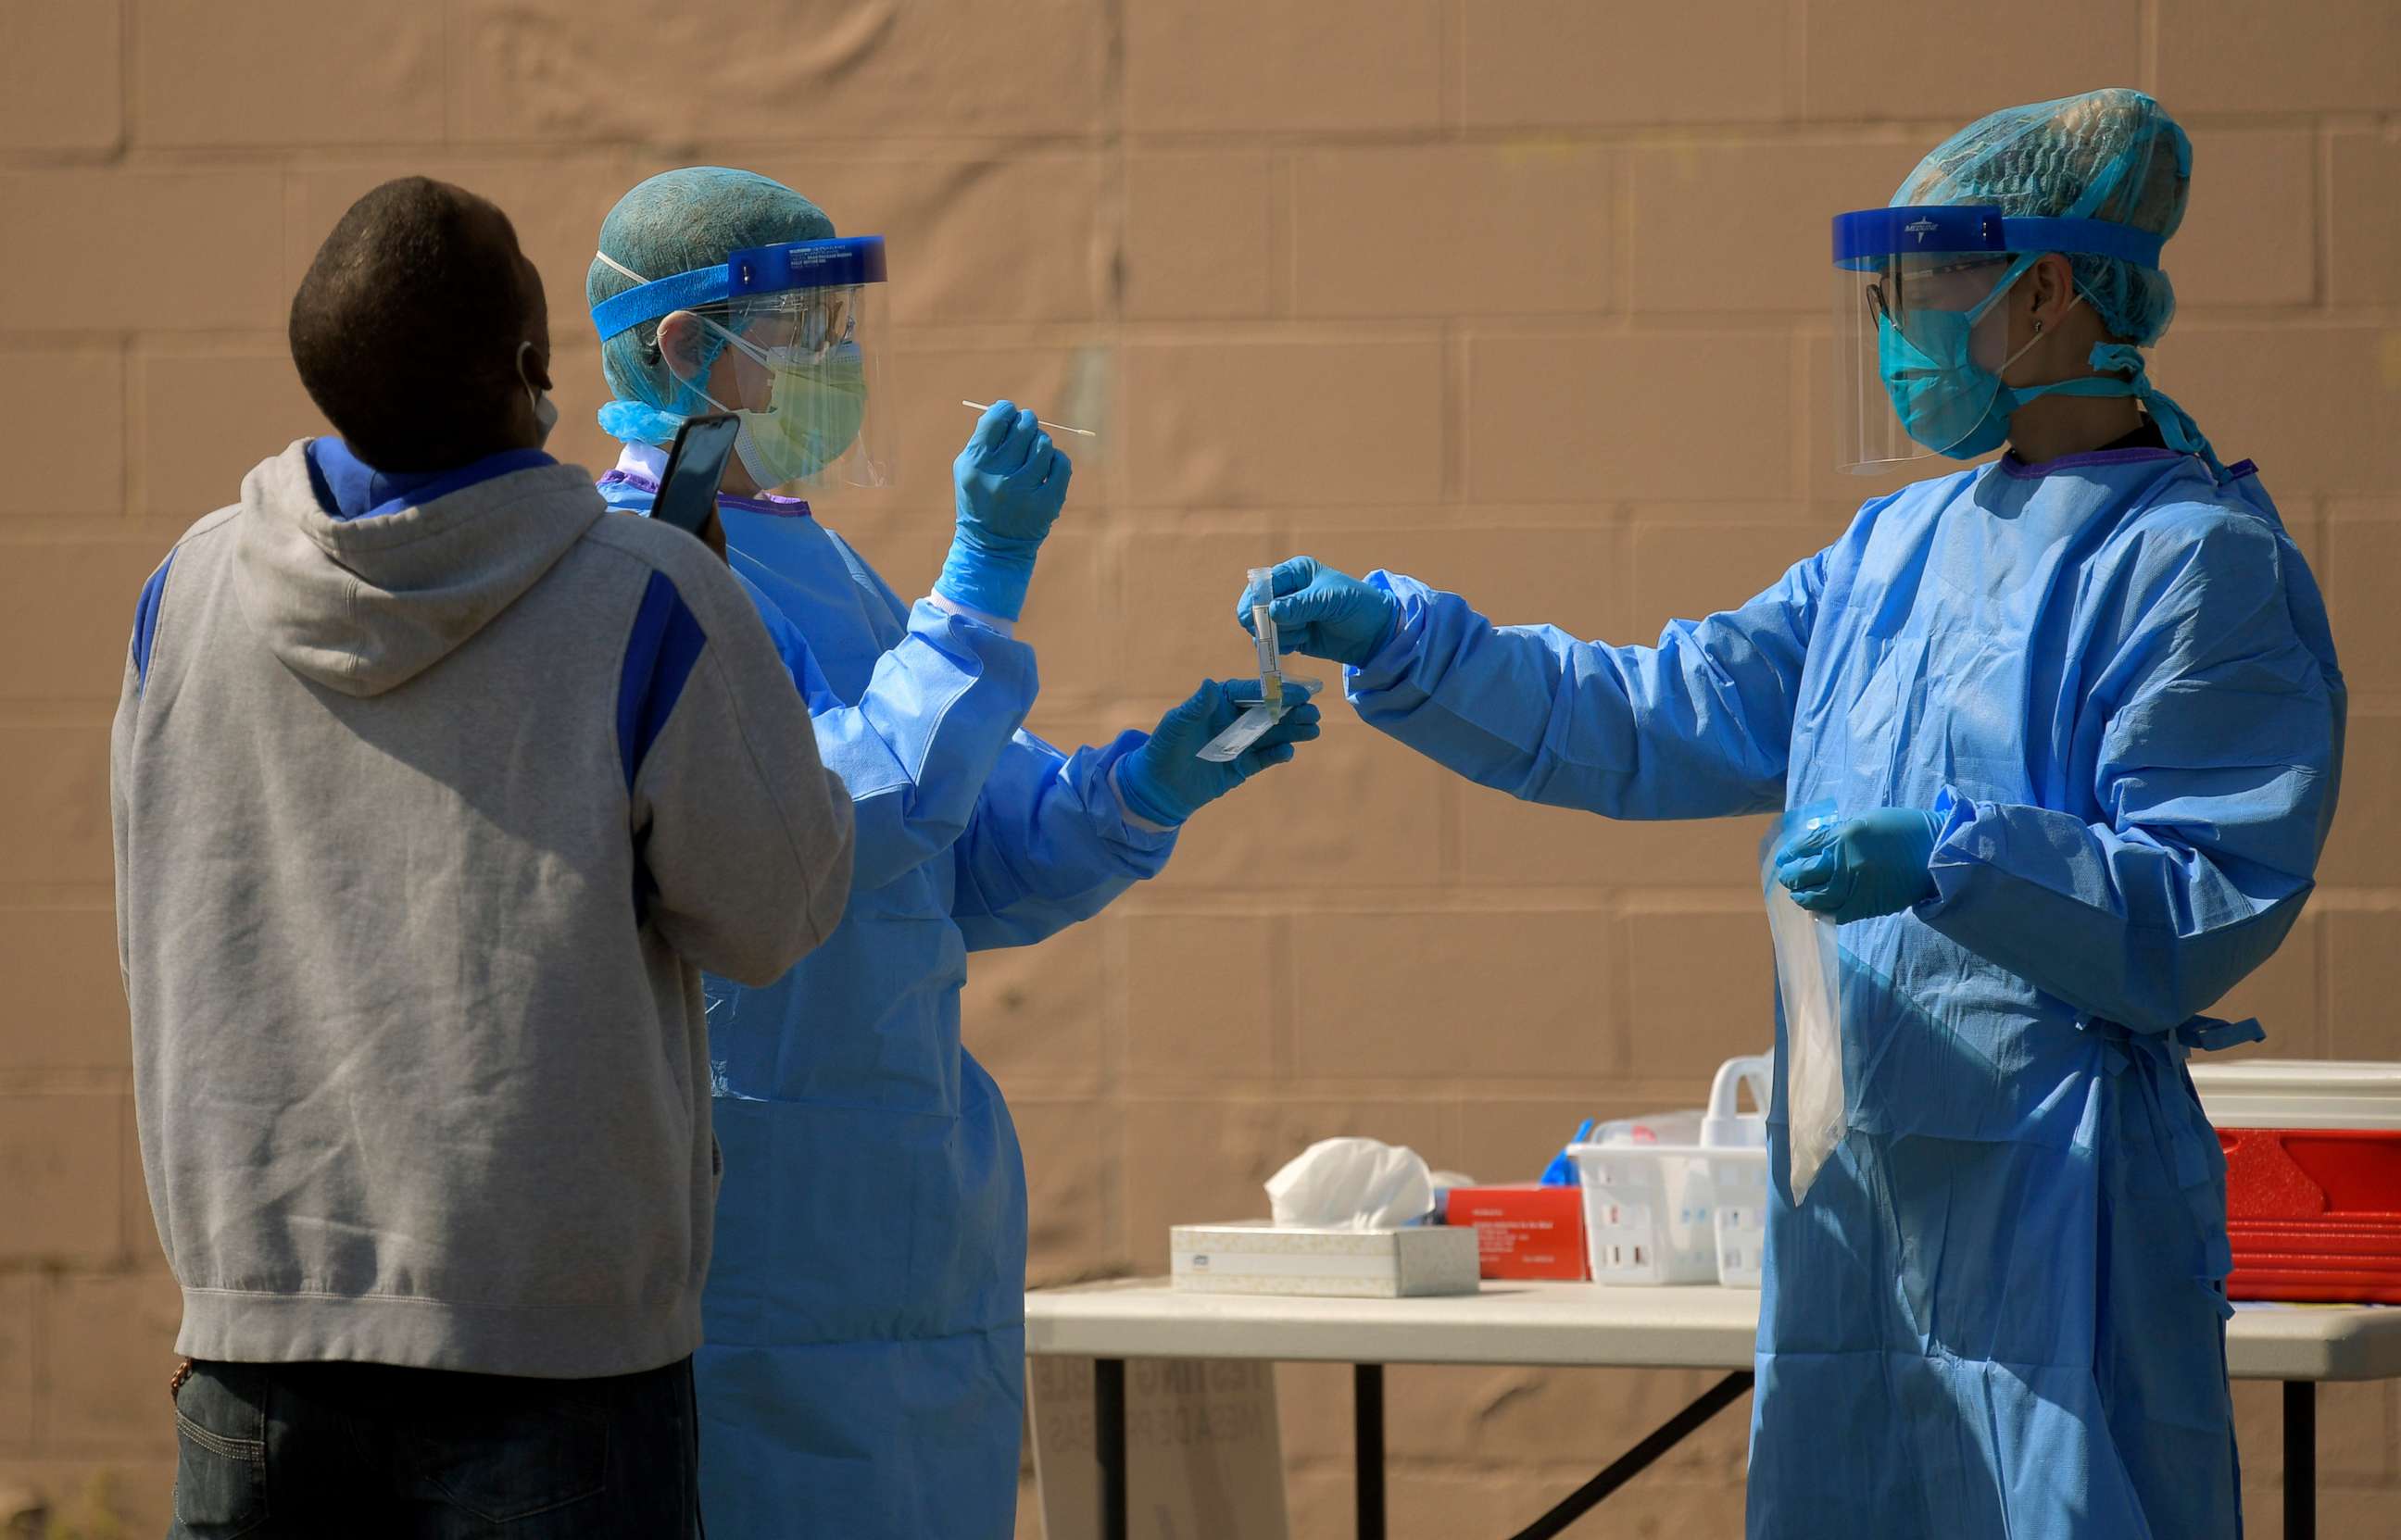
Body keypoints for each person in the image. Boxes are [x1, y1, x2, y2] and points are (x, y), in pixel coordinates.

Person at [1243, 91, 2343, 1538]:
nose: (1895, 322)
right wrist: (1404, 639)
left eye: (1928, 281)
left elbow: (2200, 900)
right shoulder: (1893, 548)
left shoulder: (2195, 565)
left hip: (2056, 1216)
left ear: (2056, 287)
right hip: (1858, 1221)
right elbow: (1645, 717)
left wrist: (1954, 856)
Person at [584, 166, 1321, 1540]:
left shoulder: (813, 560)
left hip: (909, 1225)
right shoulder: (645, 572)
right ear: (689, 348)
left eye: (844, 327)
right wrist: (978, 585)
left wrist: (1143, 787)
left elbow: (962, 861)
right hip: (762, 1235)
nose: (839, 362)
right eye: (805, 329)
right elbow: (820, 835)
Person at [112, 177, 856, 1537]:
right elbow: (774, 911)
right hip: (557, 1364)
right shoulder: (650, 596)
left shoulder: (188, 591)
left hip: (256, 1340)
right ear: (532, 369)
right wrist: (724, 632)